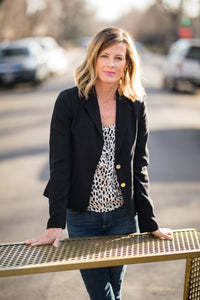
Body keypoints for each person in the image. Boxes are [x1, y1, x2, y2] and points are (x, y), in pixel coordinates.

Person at [25, 27, 173, 300]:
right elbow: (60, 165)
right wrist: (54, 223)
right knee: (102, 296)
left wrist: (149, 222)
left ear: (127, 62)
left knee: (114, 290)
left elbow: (139, 165)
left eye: (119, 57)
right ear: (93, 58)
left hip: (123, 218)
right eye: (105, 56)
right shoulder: (69, 102)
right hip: (83, 218)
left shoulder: (135, 104)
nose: (111, 64)